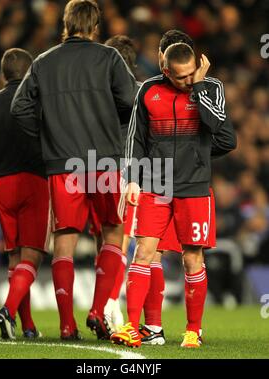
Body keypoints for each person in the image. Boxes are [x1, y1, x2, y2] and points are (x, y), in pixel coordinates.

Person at [11, 0, 137, 340]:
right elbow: (132, 102)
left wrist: (46, 137)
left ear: (65, 24)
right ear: (95, 26)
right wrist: (112, 123)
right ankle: (97, 310)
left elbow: (19, 108)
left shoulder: (43, 62)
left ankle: (67, 325)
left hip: (62, 163)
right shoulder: (109, 58)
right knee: (112, 232)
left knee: (63, 242)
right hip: (104, 160)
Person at [111, 42, 236, 348]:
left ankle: (193, 330)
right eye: (180, 77)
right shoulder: (148, 91)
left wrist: (200, 86)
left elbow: (216, 125)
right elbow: (135, 138)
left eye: (191, 73)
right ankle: (131, 326)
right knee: (143, 252)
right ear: (165, 71)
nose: (187, 81)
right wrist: (132, 179)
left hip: (194, 187)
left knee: (193, 258)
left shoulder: (210, 87)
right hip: (156, 185)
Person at [0, 48, 50, 340]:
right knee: (33, 256)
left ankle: (26, 326)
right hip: (34, 181)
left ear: (4, 74)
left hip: (2, 183)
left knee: (15, 257)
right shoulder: (39, 103)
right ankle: (8, 309)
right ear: (31, 73)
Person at [88, 35, 139, 336]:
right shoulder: (133, 91)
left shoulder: (96, 88)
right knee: (119, 240)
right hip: (121, 169)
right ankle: (109, 303)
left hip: (90, 169)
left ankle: (102, 304)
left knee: (102, 243)